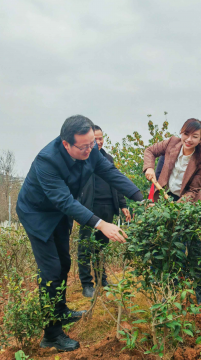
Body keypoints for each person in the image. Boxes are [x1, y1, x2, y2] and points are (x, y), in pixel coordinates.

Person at [16, 115, 143, 352]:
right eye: (83, 147)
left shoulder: (91, 149)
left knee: (64, 262)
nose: (89, 150)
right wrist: (101, 223)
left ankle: (60, 310)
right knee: (51, 270)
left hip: (59, 212)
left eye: (92, 145)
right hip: (37, 213)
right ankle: (51, 334)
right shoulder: (47, 161)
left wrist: (141, 198)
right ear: (66, 144)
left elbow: (111, 173)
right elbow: (63, 200)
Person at [143, 118, 201, 306]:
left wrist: (177, 207)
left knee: (197, 249)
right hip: (167, 199)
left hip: (189, 204)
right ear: (181, 133)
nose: (189, 139)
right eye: (186, 134)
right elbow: (150, 151)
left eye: (194, 136)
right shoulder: (172, 143)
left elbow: (194, 190)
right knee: (173, 249)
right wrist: (149, 167)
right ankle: (173, 293)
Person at [78, 125, 132, 298]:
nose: (99, 142)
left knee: (101, 247)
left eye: (101, 138)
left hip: (108, 207)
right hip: (88, 209)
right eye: (95, 139)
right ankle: (87, 283)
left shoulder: (108, 158)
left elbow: (116, 182)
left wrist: (123, 204)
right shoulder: (81, 159)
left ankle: (102, 279)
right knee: (86, 246)